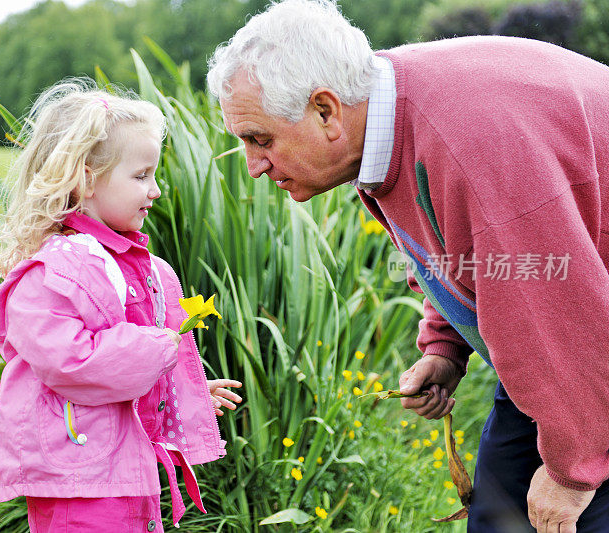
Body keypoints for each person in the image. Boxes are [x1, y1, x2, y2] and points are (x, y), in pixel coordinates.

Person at [207, 1, 609, 531]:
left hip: (586, 357)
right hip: (563, 356)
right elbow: (467, 251)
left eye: (261, 139)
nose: (255, 165)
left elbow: (560, 305)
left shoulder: (471, 145)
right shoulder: (383, 115)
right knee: (501, 513)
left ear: (326, 111)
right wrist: (445, 346)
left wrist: (574, 473)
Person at [0, 78, 242, 532]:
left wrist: (175, 387)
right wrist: (159, 353)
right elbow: (71, 361)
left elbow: (122, 370)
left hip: (123, 468)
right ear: (84, 179)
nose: (155, 189)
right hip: (79, 477)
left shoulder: (130, 265)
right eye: (141, 176)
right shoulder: (54, 272)